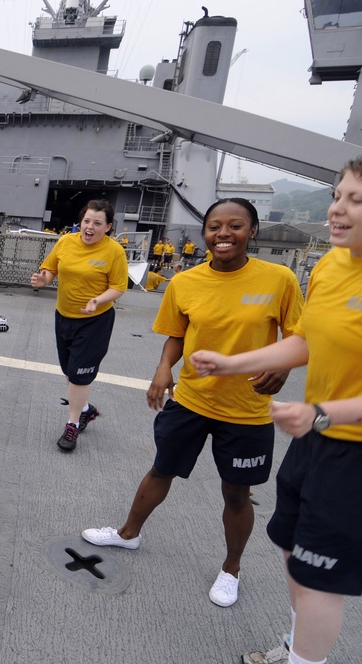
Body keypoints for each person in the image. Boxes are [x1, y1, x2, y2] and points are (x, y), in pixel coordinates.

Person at [82, 198, 303, 611]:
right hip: (191, 399)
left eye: (235, 226)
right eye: (215, 226)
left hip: (247, 409)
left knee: (237, 493)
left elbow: (297, 335)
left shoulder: (280, 279)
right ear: (204, 233)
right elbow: (176, 335)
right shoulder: (186, 282)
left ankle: (231, 569)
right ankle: (129, 533)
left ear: (252, 231)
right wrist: (164, 367)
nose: (223, 234)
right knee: (161, 469)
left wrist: (285, 370)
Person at [191, 162, 362, 664]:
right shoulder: (332, 264)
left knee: (318, 576)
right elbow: (304, 341)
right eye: (338, 195)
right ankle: (296, 646)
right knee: (291, 547)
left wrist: (321, 415)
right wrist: (231, 363)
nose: (337, 208)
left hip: (350, 452)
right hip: (316, 439)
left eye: (356, 200)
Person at [30, 200, 128, 451]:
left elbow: (118, 286)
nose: (90, 227)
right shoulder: (65, 242)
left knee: (79, 376)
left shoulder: (114, 251)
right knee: (70, 370)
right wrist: (44, 279)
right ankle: (85, 410)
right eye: (87, 221)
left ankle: (72, 425)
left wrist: (98, 300)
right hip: (64, 316)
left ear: (107, 227)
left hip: (95, 321)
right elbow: (51, 268)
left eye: (97, 223)